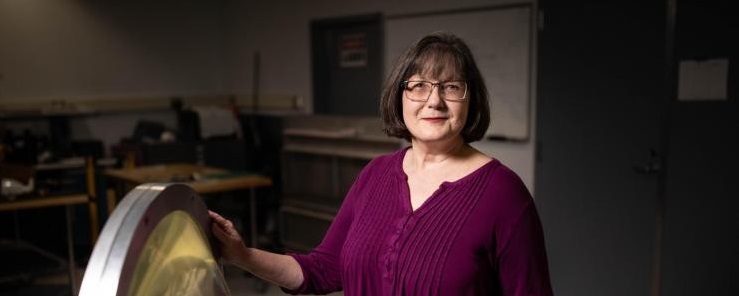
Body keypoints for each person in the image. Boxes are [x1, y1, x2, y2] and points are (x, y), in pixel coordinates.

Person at [209, 31, 553, 295]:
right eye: (418, 86)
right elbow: (322, 269)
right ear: (399, 96)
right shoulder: (375, 175)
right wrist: (242, 256)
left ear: (470, 99)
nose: (434, 100)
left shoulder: (504, 194)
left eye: (451, 87)